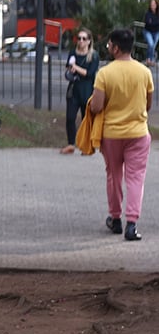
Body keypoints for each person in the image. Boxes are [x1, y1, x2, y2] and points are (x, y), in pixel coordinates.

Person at [89, 28, 152, 242]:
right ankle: (131, 224)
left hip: (112, 135)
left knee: (113, 176)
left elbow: (96, 107)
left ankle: (115, 219)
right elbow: (148, 102)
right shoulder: (144, 72)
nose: (108, 48)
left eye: (109, 45)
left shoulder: (105, 74)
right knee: (136, 178)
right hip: (138, 133)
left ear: (116, 48)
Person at [61, 27, 99, 155]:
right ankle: (71, 144)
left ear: (89, 41)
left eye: (84, 39)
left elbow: (89, 73)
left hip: (87, 90)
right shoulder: (73, 53)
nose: (81, 41)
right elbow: (68, 66)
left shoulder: (93, 55)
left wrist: (76, 67)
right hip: (74, 89)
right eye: (79, 38)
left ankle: (86, 146)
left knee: (86, 119)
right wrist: (71, 69)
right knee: (70, 118)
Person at [143, 0, 159, 65]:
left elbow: (152, 23)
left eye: (154, 4)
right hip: (148, 31)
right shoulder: (148, 14)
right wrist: (155, 23)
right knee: (151, 44)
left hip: (157, 32)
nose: (152, 5)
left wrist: (153, 22)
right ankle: (149, 59)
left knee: (153, 46)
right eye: (151, 4)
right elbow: (148, 23)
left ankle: (149, 59)